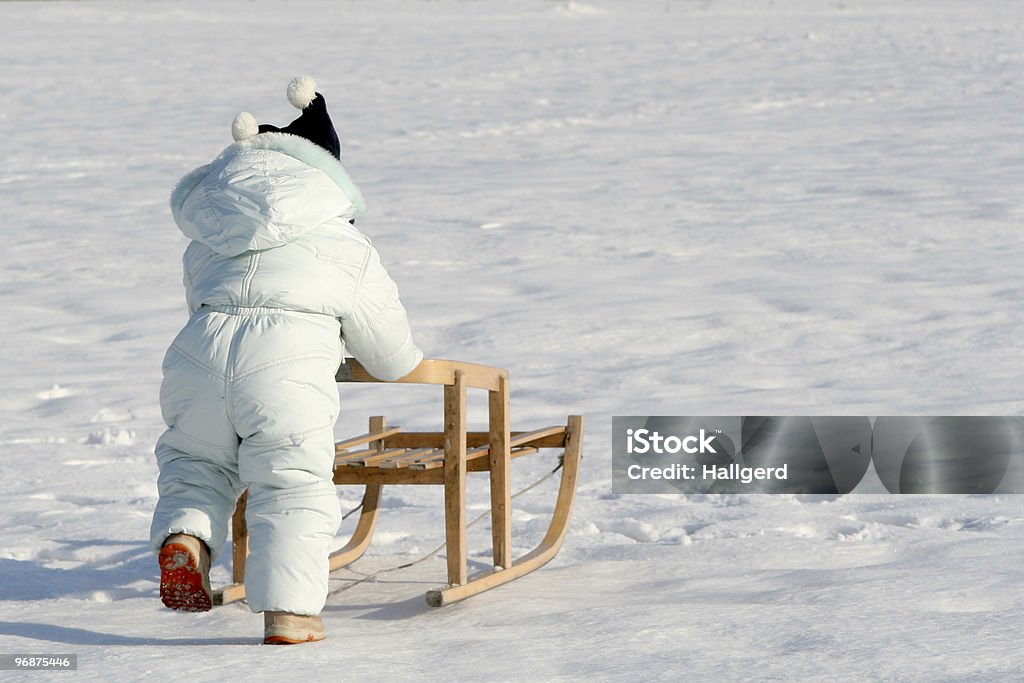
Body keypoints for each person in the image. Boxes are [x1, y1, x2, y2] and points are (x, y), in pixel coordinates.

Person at [150, 76, 423, 645]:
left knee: (197, 462)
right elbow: (390, 354)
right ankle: (290, 615)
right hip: (285, 365)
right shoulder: (343, 242)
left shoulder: (207, 235)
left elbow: (201, 301)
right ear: (327, 173)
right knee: (290, 483)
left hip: (196, 358)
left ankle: (187, 539)